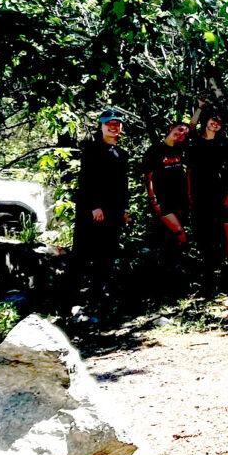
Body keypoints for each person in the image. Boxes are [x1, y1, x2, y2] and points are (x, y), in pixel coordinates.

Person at [72, 107, 131, 310]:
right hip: (93, 210)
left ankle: (100, 293)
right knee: (84, 252)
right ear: (101, 126)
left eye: (117, 124)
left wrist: (125, 209)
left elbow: (123, 184)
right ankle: (73, 297)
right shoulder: (91, 149)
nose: (113, 128)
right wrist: (94, 206)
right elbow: (86, 180)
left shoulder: (121, 153)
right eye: (109, 124)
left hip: (115, 210)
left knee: (108, 252)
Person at [188, 107, 228, 287]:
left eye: (219, 121)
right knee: (205, 235)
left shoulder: (225, 144)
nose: (215, 123)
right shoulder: (195, 142)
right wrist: (200, 107)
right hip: (201, 195)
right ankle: (209, 275)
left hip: (222, 194)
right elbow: (190, 171)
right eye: (212, 119)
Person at [143, 121, 191, 249]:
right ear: (171, 128)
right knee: (179, 232)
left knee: (171, 238)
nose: (182, 134)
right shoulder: (154, 150)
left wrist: (200, 108)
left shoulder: (180, 150)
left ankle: (175, 265)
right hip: (163, 201)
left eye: (185, 134)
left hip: (181, 200)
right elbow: (148, 177)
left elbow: (191, 125)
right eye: (180, 130)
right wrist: (153, 201)